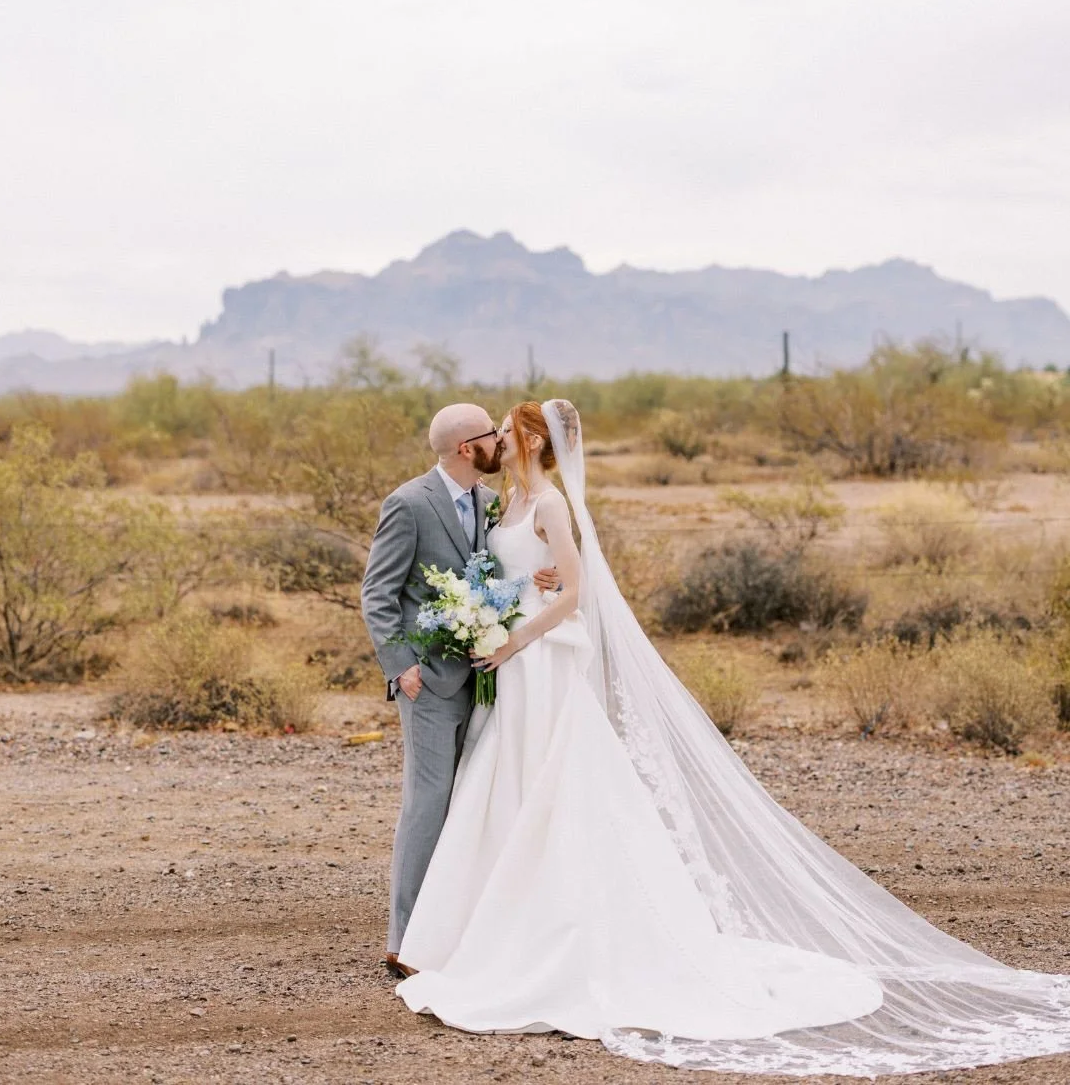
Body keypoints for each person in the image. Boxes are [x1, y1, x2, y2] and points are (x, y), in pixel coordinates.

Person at [392, 399, 1070, 1076]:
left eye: (507, 432)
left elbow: (575, 591)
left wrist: (515, 640)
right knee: (500, 789)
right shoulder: (498, 504)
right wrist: (493, 615)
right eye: (496, 434)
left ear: (534, 441)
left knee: (550, 791)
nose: (499, 441)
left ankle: (556, 938)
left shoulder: (552, 507)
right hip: (510, 672)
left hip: (533, 662)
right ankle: (476, 933)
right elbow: (505, 575)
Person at [360, 403, 556, 979]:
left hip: (490, 677)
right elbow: (379, 593)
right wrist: (402, 668)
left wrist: (539, 579)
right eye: (490, 436)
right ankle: (405, 942)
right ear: (468, 448)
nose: (501, 443)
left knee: (473, 801)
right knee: (427, 804)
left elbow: (497, 573)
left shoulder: (490, 503)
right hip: (431, 682)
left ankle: (457, 928)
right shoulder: (409, 503)